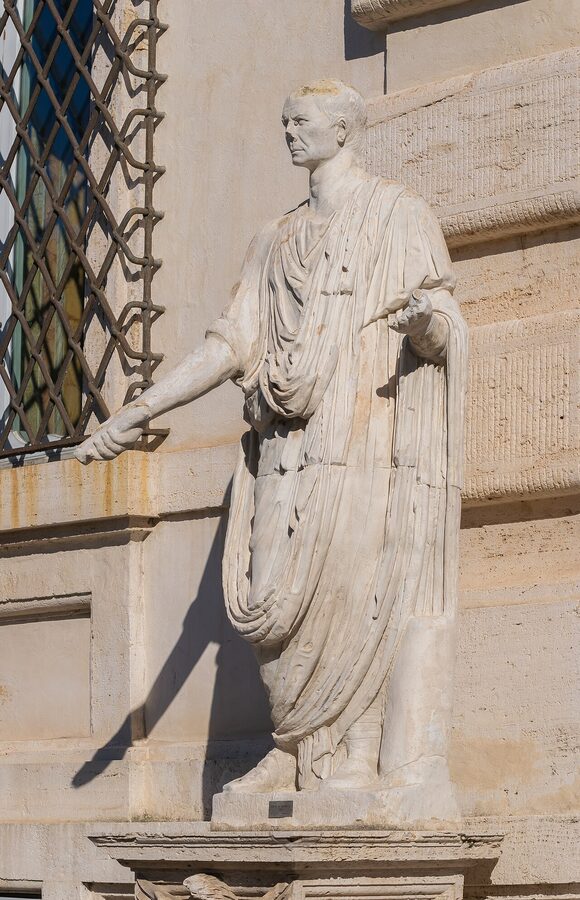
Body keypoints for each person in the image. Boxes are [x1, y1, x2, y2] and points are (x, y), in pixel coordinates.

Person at [76, 80, 467, 817]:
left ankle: (352, 749)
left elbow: (442, 321)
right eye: (284, 120)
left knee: (355, 587)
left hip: (363, 439)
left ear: (343, 130)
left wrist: (425, 326)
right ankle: (292, 747)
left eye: (302, 121)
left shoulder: (398, 216)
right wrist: (142, 409)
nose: (288, 132)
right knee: (272, 594)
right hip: (283, 450)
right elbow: (229, 342)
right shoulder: (274, 239)